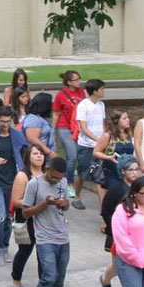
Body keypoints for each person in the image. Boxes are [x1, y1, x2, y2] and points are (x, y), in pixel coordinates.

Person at [23, 156, 71, 287]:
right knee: (49, 276)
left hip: (63, 237)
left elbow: (66, 207)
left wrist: (64, 204)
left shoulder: (63, 182)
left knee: (59, 280)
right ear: (48, 168)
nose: (57, 180)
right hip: (44, 238)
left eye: (60, 178)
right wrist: (45, 203)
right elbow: (26, 212)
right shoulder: (34, 184)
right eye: (54, 177)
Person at [0, 105, 26, 267]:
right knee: (0, 216)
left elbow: (24, 153)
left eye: (8, 122)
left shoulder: (17, 136)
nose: (5, 124)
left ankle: (5, 246)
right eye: (2, 122)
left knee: (9, 218)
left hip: (13, 182)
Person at [101, 156, 144, 287]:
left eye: (137, 169)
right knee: (118, 266)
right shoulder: (117, 189)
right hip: (120, 235)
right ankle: (106, 280)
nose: (134, 172)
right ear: (123, 171)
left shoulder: (142, 188)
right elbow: (106, 211)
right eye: (130, 169)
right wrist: (115, 230)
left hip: (138, 233)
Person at [11, 145, 47, 287]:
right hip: (27, 219)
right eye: (35, 153)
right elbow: (15, 201)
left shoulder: (47, 173)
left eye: (41, 153)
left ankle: (44, 286)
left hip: (44, 220)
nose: (39, 156)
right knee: (25, 250)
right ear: (28, 157)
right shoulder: (22, 175)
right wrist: (36, 205)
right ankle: (16, 277)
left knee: (43, 252)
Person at [52, 70, 84, 204]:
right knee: (72, 155)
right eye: (76, 80)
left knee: (75, 156)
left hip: (77, 127)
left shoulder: (81, 92)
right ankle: (69, 183)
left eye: (79, 79)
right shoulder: (61, 95)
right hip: (64, 127)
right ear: (69, 82)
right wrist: (53, 131)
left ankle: (65, 177)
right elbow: (56, 113)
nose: (79, 82)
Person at [74, 78, 107, 209]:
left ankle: (104, 204)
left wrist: (104, 137)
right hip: (86, 145)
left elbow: (102, 124)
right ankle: (77, 196)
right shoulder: (83, 105)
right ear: (95, 91)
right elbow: (83, 127)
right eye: (102, 89)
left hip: (99, 145)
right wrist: (97, 139)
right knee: (82, 173)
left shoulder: (101, 105)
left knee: (100, 173)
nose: (104, 91)